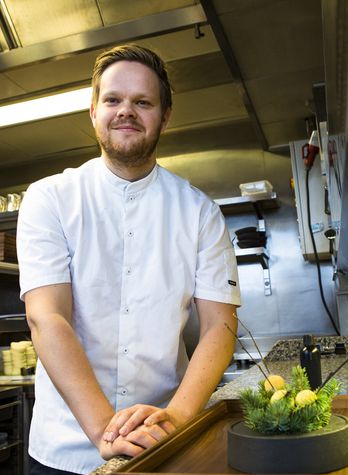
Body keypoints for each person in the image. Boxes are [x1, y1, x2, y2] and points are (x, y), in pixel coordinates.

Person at [16, 44, 241, 474]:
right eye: (113, 99)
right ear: (93, 110)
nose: (126, 111)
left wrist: (176, 418)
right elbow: (48, 318)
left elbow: (220, 325)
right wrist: (105, 429)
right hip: (62, 448)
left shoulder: (199, 212)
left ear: (165, 115)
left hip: (163, 439)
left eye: (143, 102)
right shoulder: (50, 198)